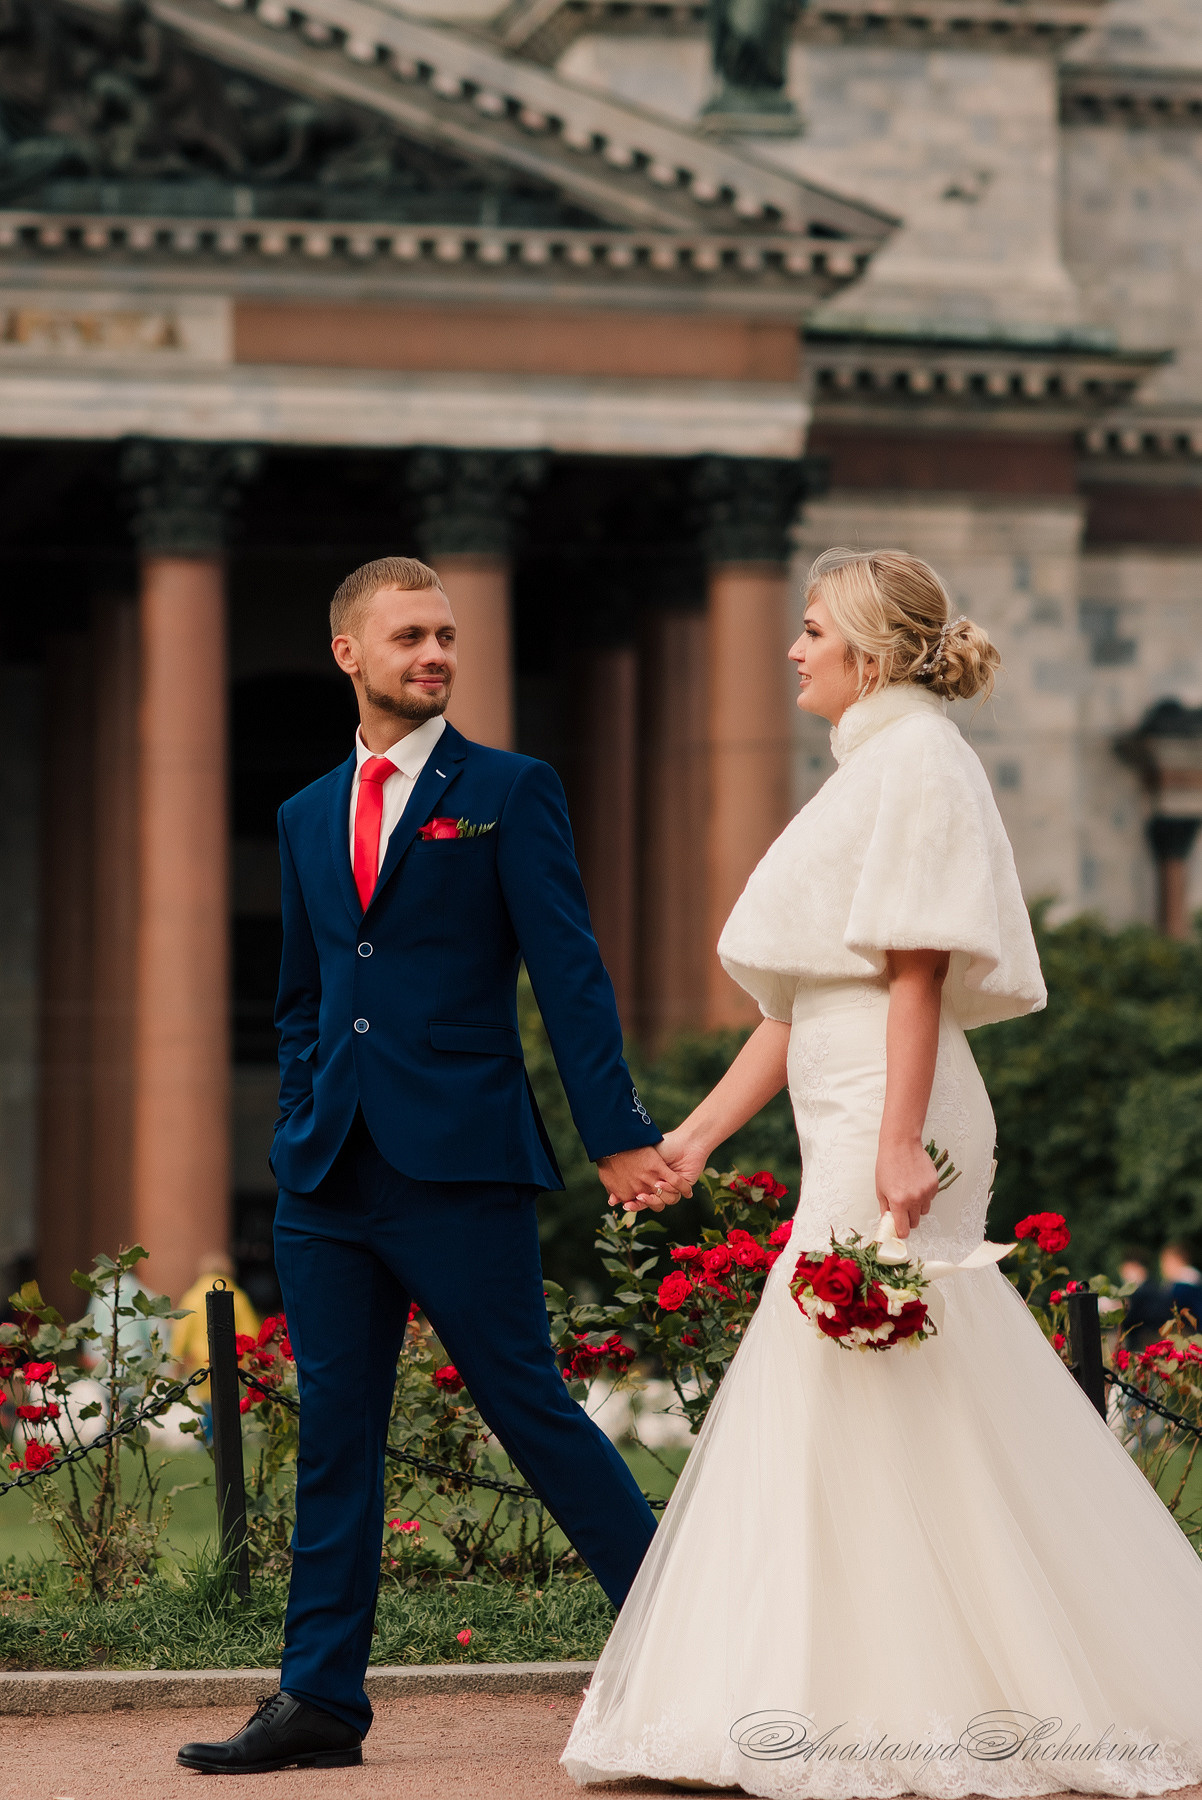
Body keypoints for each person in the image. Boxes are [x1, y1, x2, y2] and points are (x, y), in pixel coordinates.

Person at [562, 548, 1202, 1795]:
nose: (791, 650)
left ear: (864, 649)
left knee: (866, 1353)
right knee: (865, 1370)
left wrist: (899, 1139)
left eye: (810, 630)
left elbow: (915, 968)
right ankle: (855, 1679)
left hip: (887, 1110)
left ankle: (904, 1693)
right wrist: (695, 1137)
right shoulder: (873, 764)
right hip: (847, 1103)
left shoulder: (917, 759)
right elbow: (799, 1002)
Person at [177, 555, 686, 1776]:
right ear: (348, 652)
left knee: (528, 1408)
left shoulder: (507, 790)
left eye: (446, 635)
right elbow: (303, 997)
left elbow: (568, 971)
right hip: (326, 1175)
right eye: (410, 635)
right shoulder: (305, 814)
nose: (436, 654)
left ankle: (689, 1651)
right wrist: (296, 1119)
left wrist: (614, 1132)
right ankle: (319, 1700)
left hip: (460, 1160)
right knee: (334, 1436)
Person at [171, 1251, 261, 1402]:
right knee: (231, 1406)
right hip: (233, 1363)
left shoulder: (191, 1297)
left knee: (208, 1407)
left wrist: (176, 1365)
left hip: (201, 1366)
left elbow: (179, 1336)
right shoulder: (238, 1297)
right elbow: (251, 1333)